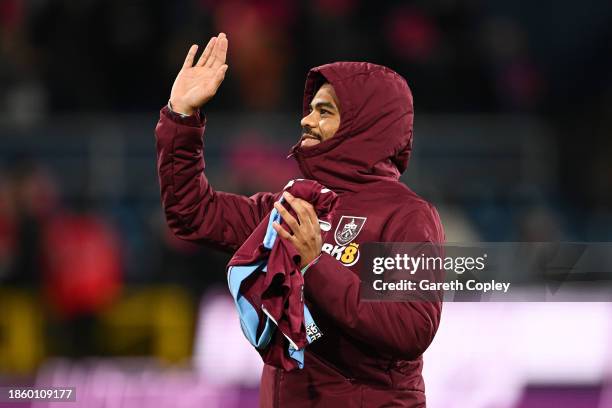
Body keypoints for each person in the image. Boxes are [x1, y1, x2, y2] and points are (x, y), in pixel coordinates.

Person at [155, 33, 445, 407]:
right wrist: (181, 117)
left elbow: (411, 329)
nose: (306, 120)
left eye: (324, 111)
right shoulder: (292, 202)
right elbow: (192, 213)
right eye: (310, 109)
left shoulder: (406, 216)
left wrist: (316, 265)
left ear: (365, 124)